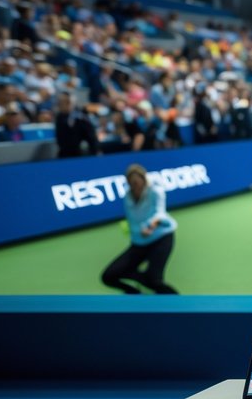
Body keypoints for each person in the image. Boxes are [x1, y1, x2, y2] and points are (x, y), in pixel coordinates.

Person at [101, 164, 178, 294]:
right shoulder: (127, 196)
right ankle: (135, 293)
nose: (136, 186)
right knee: (108, 276)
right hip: (139, 243)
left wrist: (150, 226)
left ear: (144, 179)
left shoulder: (155, 191)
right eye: (132, 183)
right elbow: (132, 220)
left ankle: (178, 300)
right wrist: (137, 232)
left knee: (155, 281)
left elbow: (160, 213)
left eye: (137, 182)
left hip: (162, 238)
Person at [54, 91, 100, 157]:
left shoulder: (81, 118)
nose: (61, 105)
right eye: (60, 103)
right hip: (64, 156)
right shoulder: (59, 118)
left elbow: (92, 139)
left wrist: (96, 152)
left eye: (66, 102)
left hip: (79, 156)